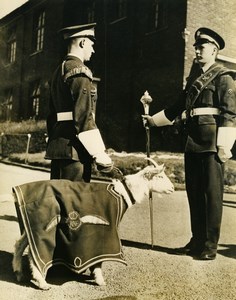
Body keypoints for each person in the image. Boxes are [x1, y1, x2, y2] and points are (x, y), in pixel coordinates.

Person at [143, 27, 236, 260]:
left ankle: (210, 246)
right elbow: (178, 107)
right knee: (194, 193)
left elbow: (230, 113)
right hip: (192, 140)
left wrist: (224, 145)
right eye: (196, 47)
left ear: (213, 50)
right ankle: (197, 241)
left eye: (201, 47)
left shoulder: (223, 77)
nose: (197, 50)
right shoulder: (194, 79)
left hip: (212, 142)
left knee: (211, 194)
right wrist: (153, 121)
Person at [45, 23, 112, 182]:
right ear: (82, 43)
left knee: (59, 201)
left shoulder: (58, 71)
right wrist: (98, 152)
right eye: (91, 45)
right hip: (76, 149)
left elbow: (51, 115)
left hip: (59, 148)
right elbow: (83, 115)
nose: (93, 50)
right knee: (75, 203)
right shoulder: (80, 71)